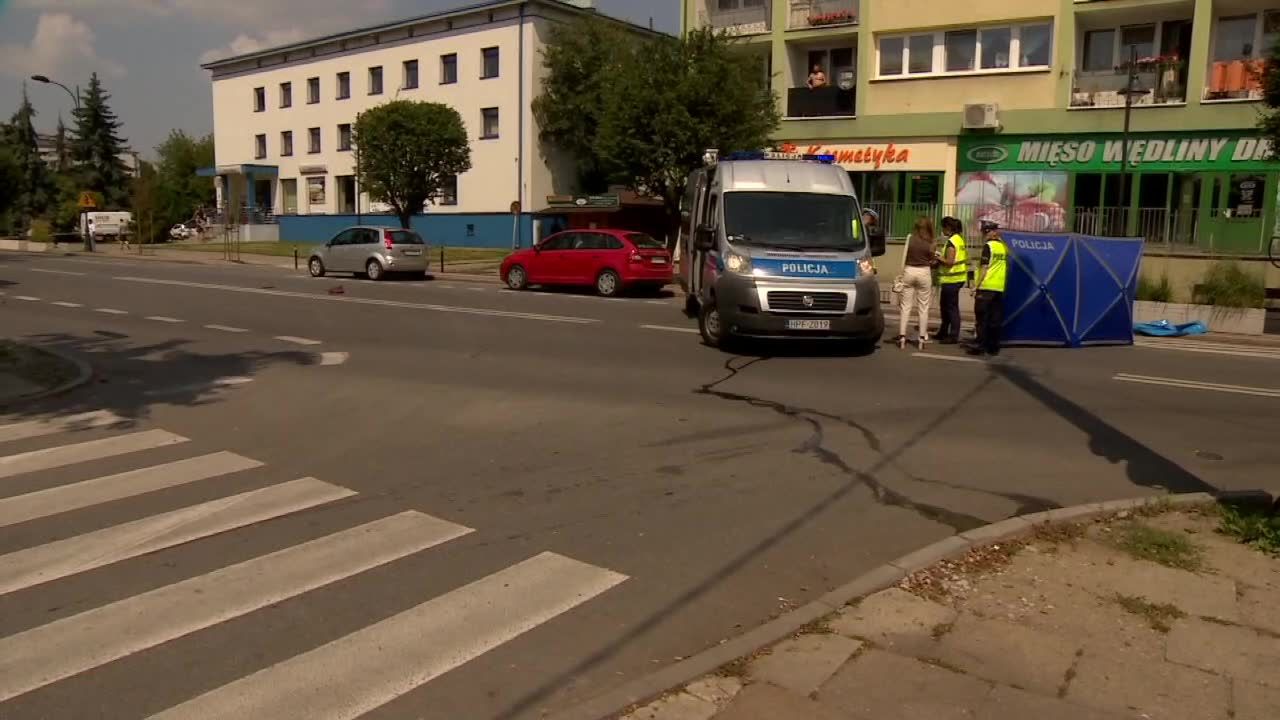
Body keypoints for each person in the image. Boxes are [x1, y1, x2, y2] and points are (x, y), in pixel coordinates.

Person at [896, 217, 937, 350]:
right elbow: (932, 260)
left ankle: (902, 337)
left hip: (909, 271)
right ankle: (921, 339)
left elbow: (904, 255)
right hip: (924, 272)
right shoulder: (931, 242)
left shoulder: (910, 238)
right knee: (923, 307)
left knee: (905, 306)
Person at [970, 222, 1008, 357]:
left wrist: (975, 286)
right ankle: (993, 347)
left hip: (986, 287)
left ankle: (980, 346)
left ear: (987, 232)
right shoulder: (1003, 247)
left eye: (984, 232)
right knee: (995, 320)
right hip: (999, 288)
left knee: (981, 319)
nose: (983, 235)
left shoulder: (988, 247)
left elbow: (984, 268)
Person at [935, 217, 968, 344]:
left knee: (951, 308)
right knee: (945, 306)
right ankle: (943, 331)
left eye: (943, 227)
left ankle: (953, 335)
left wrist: (938, 257)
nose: (942, 230)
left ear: (948, 228)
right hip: (956, 279)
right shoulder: (959, 239)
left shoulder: (952, 242)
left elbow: (949, 262)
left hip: (952, 279)